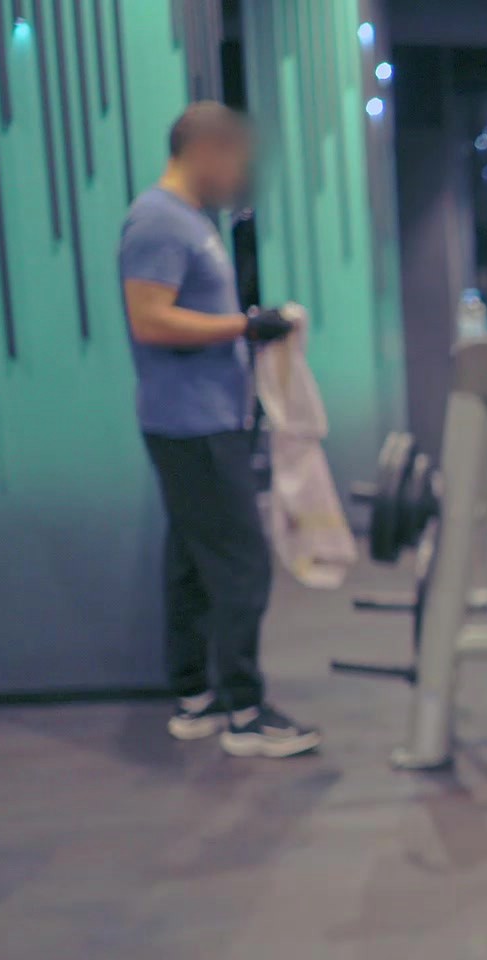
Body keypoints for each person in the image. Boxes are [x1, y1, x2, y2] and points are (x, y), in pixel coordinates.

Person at [118, 102, 319, 758]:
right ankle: (245, 712)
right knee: (241, 565)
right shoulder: (157, 220)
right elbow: (149, 319)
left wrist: (247, 325)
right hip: (192, 425)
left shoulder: (189, 221)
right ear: (208, 150)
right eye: (236, 161)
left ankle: (195, 697)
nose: (239, 176)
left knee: (191, 561)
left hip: (205, 420)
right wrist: (245, 326)